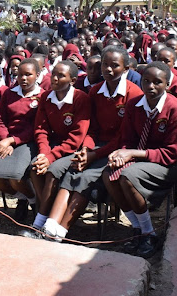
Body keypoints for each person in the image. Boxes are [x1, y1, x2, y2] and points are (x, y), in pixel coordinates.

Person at [42, 46, 142, 242]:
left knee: (86, 177)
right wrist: (86, 149)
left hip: (120, 149)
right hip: (96, 147)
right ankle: (49, 225)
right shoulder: (95, 92)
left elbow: (124, 136)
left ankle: (60, 232)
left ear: (126, 68)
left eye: (115, 65)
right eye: (105, 64)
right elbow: (91, 129)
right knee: (72, 169)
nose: (108, 69)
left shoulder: (133, 93)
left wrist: (94, 155)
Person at [102, 61, 177, 258]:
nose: (150, 86)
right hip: (144, 155)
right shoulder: (134, 105)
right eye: (146, 81)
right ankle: (138, 228)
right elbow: (128, 140)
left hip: (175, 162)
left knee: (127, 176)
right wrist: (120, 154)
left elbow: (172, 154)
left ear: (167, 85)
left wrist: (132, 154)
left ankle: (149, 234)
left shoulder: (176, 110)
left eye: (157, 82)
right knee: (109, 173)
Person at [20, 61, 90, 239]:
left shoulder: (81, 99)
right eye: (54, 74)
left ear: (73, 80)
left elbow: (76, 137)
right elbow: (41, 129)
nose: (55, 79)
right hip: (52, 146)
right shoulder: (46, 97)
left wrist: (50, 157)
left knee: (52, 171)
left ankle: (39, 224)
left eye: (61, 76)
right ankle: (45, 216)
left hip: (72, 148)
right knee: (36, 168)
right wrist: (43, 153)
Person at [0, 58, 42, 221]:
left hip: (28, 141)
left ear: (37, 75)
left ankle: (32, 199)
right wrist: (5, 140)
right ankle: (25, 198)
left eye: (28, 75)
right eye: (20, 75)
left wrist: (12, 141)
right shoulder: (9, 93)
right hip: (7, 140)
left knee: (16, 177)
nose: (23, 78)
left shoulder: (42, 96)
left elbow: (37, 127)